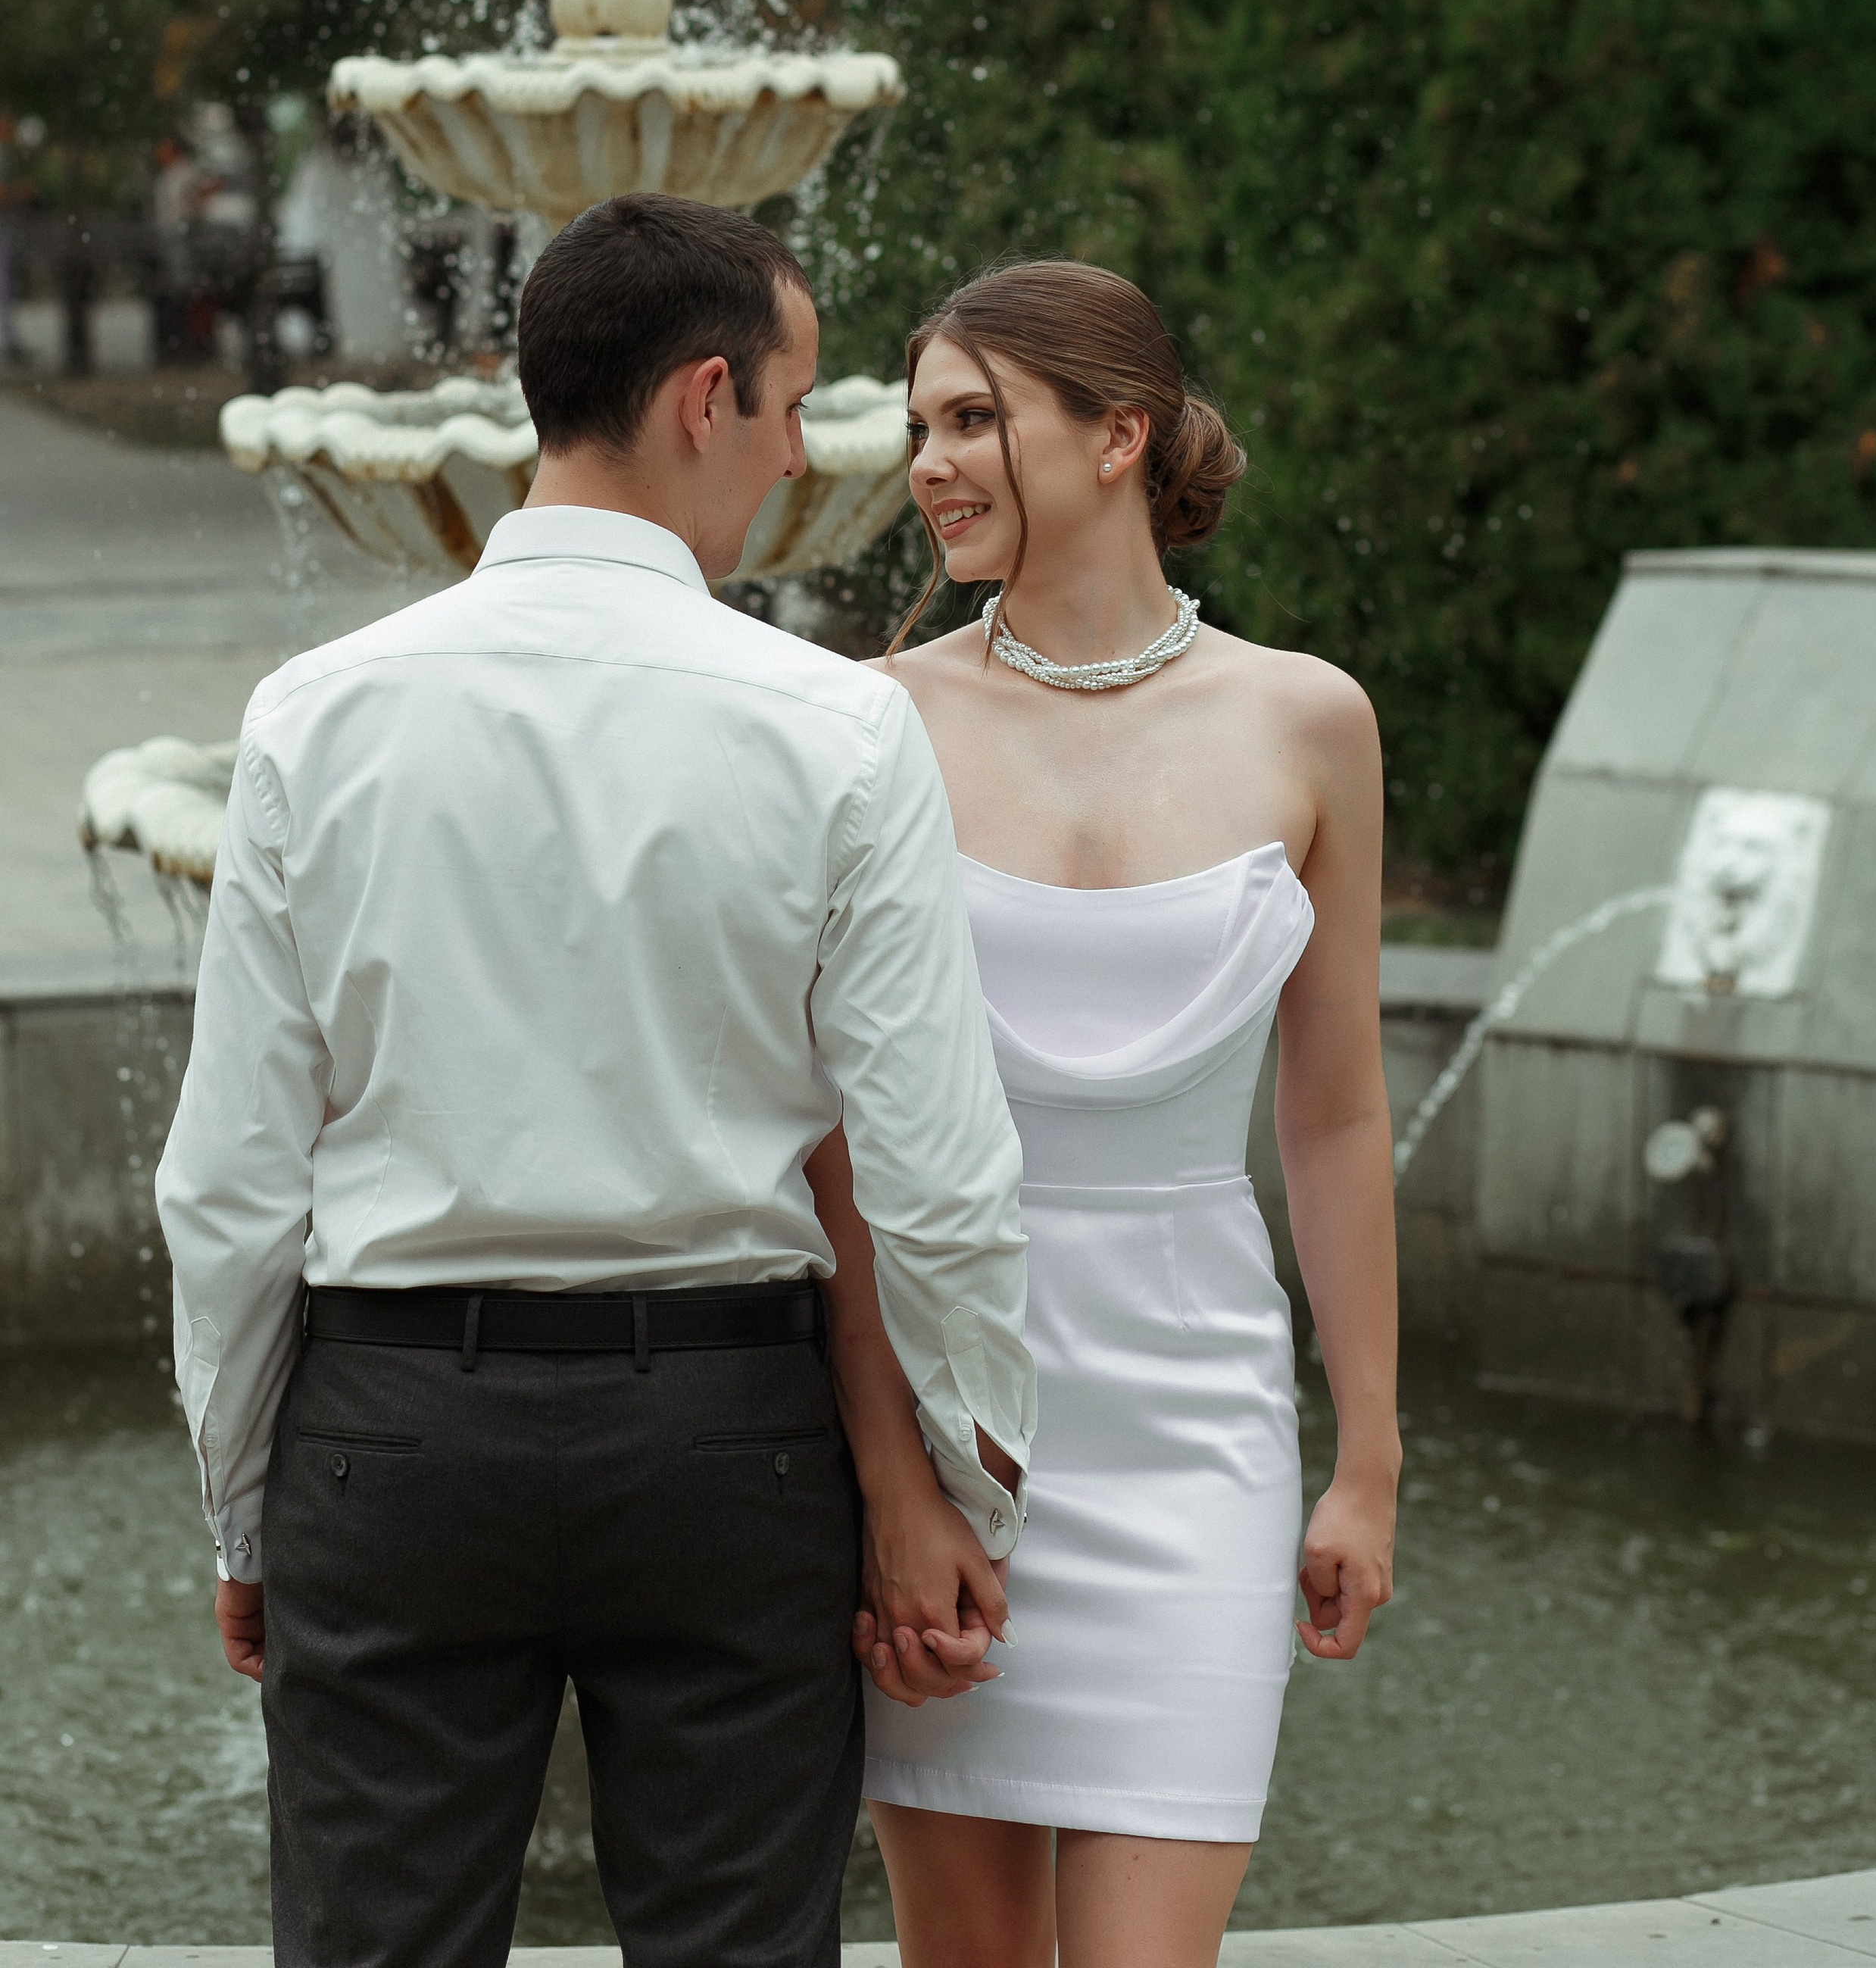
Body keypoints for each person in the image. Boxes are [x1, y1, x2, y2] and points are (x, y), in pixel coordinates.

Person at [155, 192, 1035, 1968]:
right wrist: (958, 1487)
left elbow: (234, 1174)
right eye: (790, 407)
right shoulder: (836, 726)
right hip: (727, 1448)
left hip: (395, 1434)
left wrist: (246, 1500)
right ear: (703, 397)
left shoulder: (314, 715)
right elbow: (936, 1173)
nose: (799, 459)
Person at [812, 260, 1400, 1968]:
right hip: (949, 1439)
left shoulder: (1308, 721)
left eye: (973, 418)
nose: (927, 462)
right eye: (917, 423)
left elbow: (1337, 1118)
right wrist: (891, 1492)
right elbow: (830, 1145)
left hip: (1196, 1437)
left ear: (1120, 437)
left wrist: (1363, 1461)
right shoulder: (872, 724)